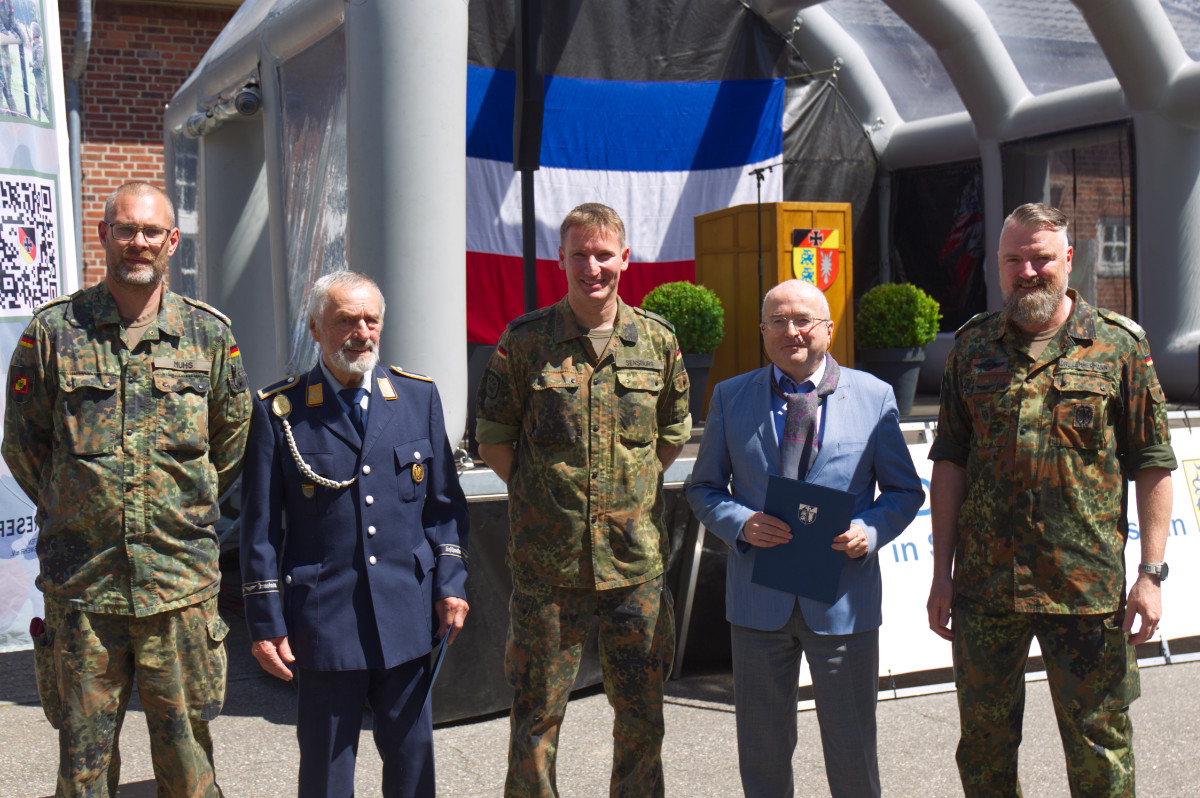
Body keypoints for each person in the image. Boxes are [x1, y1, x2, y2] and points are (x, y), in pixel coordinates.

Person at [2, 181, 252, 797]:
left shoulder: (209, 336)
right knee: (83, 770)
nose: (137, 242)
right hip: (84, 585)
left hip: (178, 584)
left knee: (188, 765)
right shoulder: (54, 333)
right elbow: (24, 445)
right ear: (104, 236)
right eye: (124, 229)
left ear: (172, 241)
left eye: (150, 232)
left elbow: (232, 444)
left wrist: (175, 508)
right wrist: (79, 505)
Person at [926, 203, 1177, 797]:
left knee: (1098, 745)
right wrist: (941, 574)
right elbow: (950, 463)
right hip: (986, 590)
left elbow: (1154, 463)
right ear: (999, 266)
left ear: (1068, 259)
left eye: (1040, 258)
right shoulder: (972, 348)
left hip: (1085, 590)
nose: (1028, 271)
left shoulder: (1118, 347)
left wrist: (1151, 574)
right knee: (984, 748)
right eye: (1014, 259)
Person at [475, 202, 691, 797]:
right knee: (536, 716)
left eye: (603, 255)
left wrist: (624, 491)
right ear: (561, 260)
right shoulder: (525, 342)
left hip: (634, 568)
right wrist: (548, 496)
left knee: (642, 716)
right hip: (550, 566)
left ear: (625, 258)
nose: (592, 267)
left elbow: (670, 437)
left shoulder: (657, 341)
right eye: (579, 255)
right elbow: (493, 438)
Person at [686, 278, 923, 798]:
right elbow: (703, 488)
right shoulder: (730, 396)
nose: (791, 331)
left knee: (852, 748)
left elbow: (905, 491)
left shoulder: (875, 395)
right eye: (778, 321)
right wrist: (741, 523)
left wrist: (871, 529)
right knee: (763, 751)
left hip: (843, 601)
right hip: (757, 602)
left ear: (828, 328)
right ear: (762, 330)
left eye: (804, 320)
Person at [239, 269, 469, 798]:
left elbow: (442, 509)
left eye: (371, 320)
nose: (361, 332)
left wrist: (451, 583)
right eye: (345, 320)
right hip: (325, 621)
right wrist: (265, 623)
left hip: (408, 615)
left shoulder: (416, 398)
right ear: (316, 328)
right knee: (326, 773)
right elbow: (259, 532)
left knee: (413, 767)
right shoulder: (282, 410)